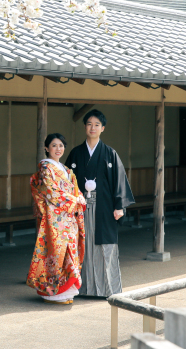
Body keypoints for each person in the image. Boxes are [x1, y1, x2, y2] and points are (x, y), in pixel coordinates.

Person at [65, 109, 135, 297]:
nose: (93, 128)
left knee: (105, 247)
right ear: (85, 127)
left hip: (103, 208)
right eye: (89, 124)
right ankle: (80, 288)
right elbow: (66, 181)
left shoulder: (110, 154)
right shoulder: (76, 154)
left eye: (97, 125)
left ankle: (107, 289)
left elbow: (119, 181)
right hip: (79, 207)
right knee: (81, 245)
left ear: (103, 128)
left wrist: (119, 205)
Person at [27, 133, 87, 304]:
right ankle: (51, 293)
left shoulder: (66, 170)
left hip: (68, 219)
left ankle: (66, 293)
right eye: (54, 145)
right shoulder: (46, 168)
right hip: (54, 220)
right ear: (46, 148)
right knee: (55, 255)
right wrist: (74, 200)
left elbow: (74, 190)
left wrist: (79, 196)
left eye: (61, 145)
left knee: (69, 255)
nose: (58, 149)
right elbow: (51, 192)